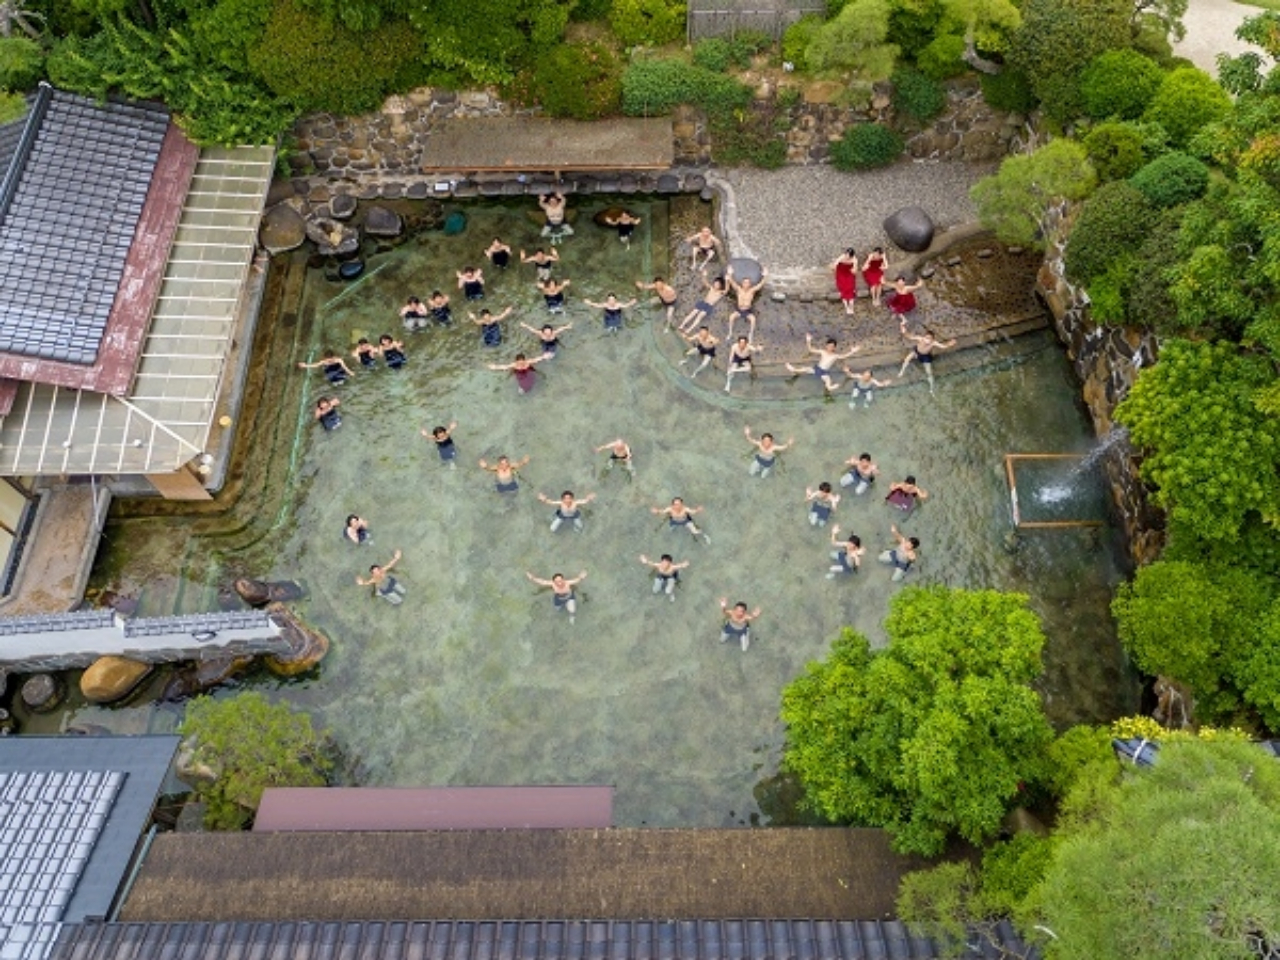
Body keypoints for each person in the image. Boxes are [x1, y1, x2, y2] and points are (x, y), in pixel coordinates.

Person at [785, 334, 861, 393]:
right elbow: (811, 349)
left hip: (824, 372)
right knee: (803, 369)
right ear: (826, 346)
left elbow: (844, 356)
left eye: (832, 346)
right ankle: (793, 370)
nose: (830, 348)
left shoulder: (835, 356)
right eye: (829, 346)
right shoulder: (823, 352)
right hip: (816, 368)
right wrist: (808, 340)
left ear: (834, 348)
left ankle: (830, 388)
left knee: (828, 381)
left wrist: (853, 351)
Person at [898, 325, 957, 393]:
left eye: (930, 339)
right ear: (924, 337)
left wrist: (950, 343)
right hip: (916, 351)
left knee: (929, 373)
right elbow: (910, 337)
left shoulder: (933, 343)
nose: (927, 340)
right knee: (907, 358)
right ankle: (902, 371)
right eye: (926, 338)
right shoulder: (920, 338)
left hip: (925, 357)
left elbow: (943, 346)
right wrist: (904, 331)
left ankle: (931, 387)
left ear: (932, 339)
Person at [725, 264, 767, 341]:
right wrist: (730, 272)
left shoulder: (752, 290)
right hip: (739, 309)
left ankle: (750, 334)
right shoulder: (739, 289)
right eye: (745, 282)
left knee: (753, 319)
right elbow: (732, 281)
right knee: (731, 317)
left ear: (750, 284)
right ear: (742, 283)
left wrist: (765, 275)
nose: (746, 284)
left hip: (748, 310)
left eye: (748, 283)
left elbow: (761, 284)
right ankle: (730, 332)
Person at [833, 248, 858, 314]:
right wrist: (835, 268)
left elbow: (855, 270)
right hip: (841, 272)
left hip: (849, 273)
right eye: (846, 254)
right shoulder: (842, 257)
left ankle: (851, 307)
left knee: (850, 287)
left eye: (848, 255)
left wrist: (853, 270)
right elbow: (835, 264)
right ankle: (846, 307)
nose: (846, 256)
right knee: (843, 288)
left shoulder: (854, 259)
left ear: (851, 256)